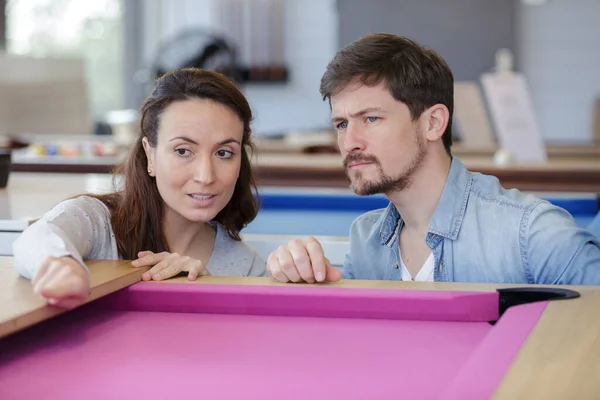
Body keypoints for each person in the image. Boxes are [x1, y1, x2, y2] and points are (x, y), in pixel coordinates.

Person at [267, 33, 600, 285]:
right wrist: (301, 280)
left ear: (433, 123)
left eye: (370, 119)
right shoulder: (366, 240)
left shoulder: (532, 234)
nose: (349, 142)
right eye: (342, 124)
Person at [14, 68, 267, 309]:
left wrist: (203, 285)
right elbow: (38, 236)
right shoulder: (98, 223)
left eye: (224, 153)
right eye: (183, 151)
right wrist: (60, 265)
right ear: (150, 154)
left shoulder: (246, 266)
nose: (205, 176)